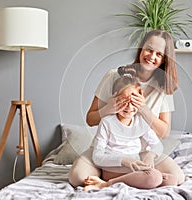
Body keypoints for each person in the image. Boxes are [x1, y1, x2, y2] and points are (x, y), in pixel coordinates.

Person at [68, 29, 185, 187]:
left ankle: (126, 176)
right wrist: (108, 109)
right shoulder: (114, 76)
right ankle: (110, 172)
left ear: (165, 59)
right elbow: (90, 119)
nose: (151, 57)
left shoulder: (164, 87)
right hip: (108, 150)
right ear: (141, 48)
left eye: (159, 54)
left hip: (140, 153)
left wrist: (144, 110)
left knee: (177, 177)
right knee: (77, 178)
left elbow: (164, 133)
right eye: (149, 50)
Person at [84, 72, 177, 191]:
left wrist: (150, 155)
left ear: (140, 99)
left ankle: (137, 180)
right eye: (123, 101)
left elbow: (157, 145)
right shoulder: (107, 122)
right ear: (114, 98)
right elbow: (97, 156)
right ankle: (105, 184)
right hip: (113, 168)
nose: (129, 107)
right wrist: (124, 160)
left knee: (171, 180)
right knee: (154, 177)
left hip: (135, 168)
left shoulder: (140, 121)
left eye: (133, 101)